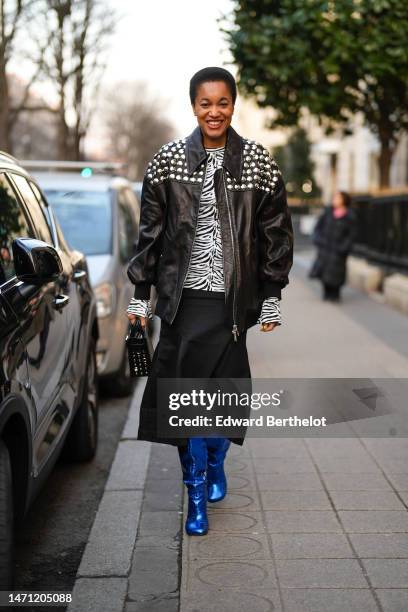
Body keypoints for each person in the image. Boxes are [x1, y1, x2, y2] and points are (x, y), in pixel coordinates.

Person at [126, 67, 293, 536]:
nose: (213, 112)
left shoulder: (257, 162)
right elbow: (150, 237)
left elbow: (275, 235)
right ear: (193, 106)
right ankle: (194, 493)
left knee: (224, 402)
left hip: (231, 308)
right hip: (183, 305)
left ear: (233, 104)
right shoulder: (167, 162)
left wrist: (272, 296)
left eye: (222, 103)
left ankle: (216, 458)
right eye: (205, 103)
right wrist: (141, 297)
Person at [310, 190, 357, 302]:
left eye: (338, 198)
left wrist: (344, 247)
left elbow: (352, 234)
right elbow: (318, 228)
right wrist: (318, 240)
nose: (335, 200)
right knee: (324, 270)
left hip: (338, 249)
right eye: (334, 197)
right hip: (325, 247)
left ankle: (335, 293)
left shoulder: (350, 215)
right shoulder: (328, 212)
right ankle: (326, 292)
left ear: (344, 200)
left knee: (337, 272)